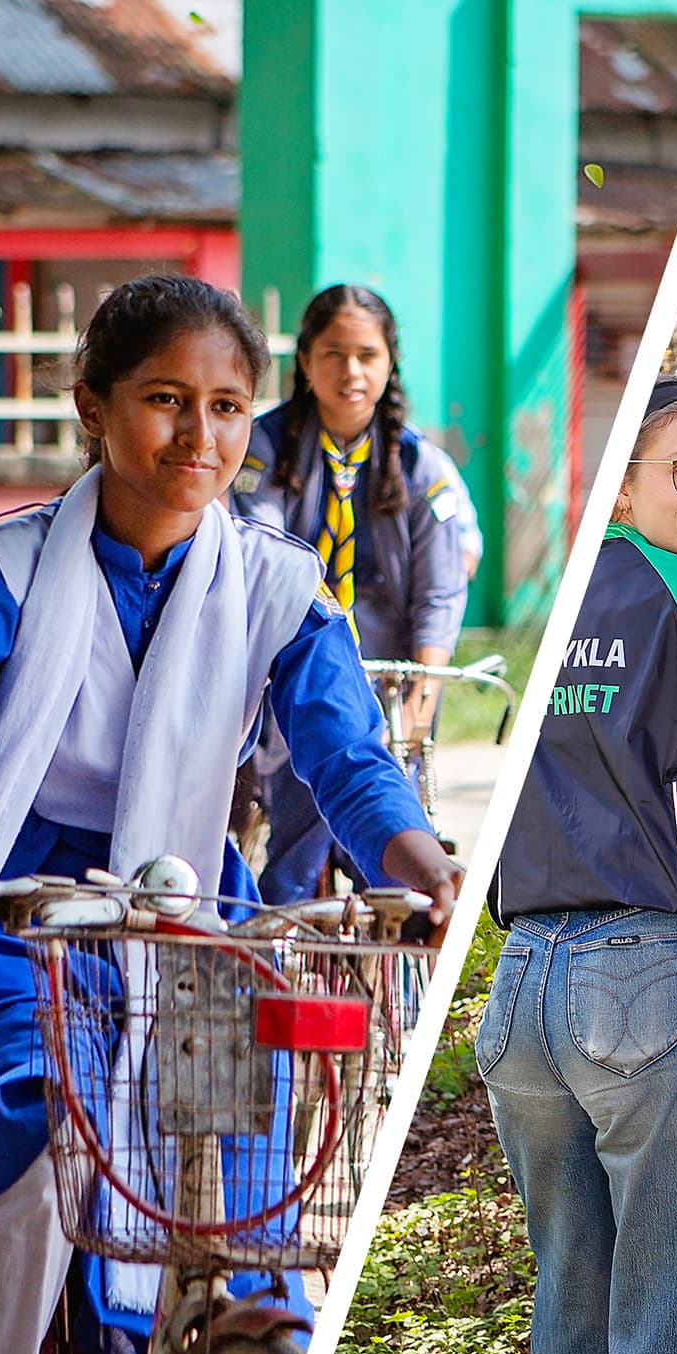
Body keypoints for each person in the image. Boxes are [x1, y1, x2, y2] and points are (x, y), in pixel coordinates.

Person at [0, 274, 461, 1354]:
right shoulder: (16, 562)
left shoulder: (280, 587)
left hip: (191, 913)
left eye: (228, 407)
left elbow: (346, 758)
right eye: (166, 400)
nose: (202, 435)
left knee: (256, 1161)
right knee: (29, 1128)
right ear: (93, 404)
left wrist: (418, 863)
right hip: (13, 912)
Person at [480, 376, 677, 1354]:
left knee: (575, 1302)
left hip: (522, 989)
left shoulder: (539, 600)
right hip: (649, 972)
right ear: (618, 488)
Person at [231, 284, 470, 901]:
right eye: (333, 354)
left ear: (389, 363)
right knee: (294, 857)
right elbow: (266, 558)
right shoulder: (256, 451)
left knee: (395, 864)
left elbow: (439, 597)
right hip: (293, 679)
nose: (351, 371)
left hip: (392, 688)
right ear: (305, 361)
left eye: (367, 354)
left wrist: (421, 700)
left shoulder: (423, 467)